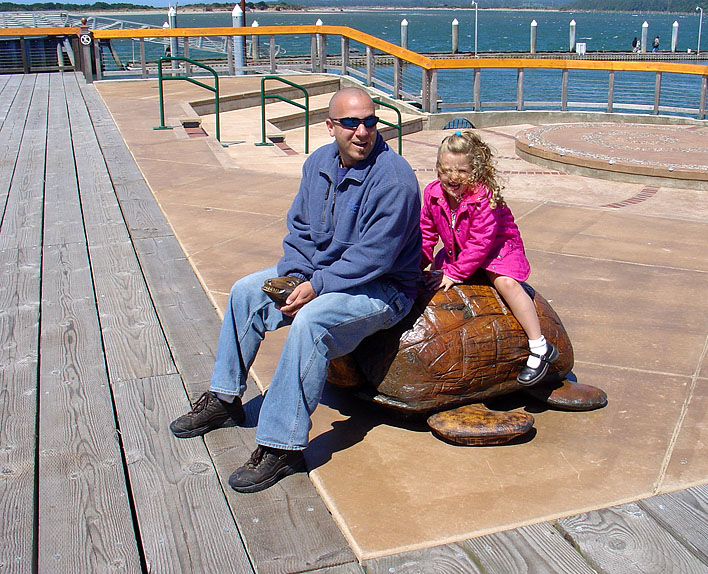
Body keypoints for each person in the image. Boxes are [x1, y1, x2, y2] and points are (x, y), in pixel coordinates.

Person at [169, 87, 422, 493]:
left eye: (371, 122)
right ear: (330, 126)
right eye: (351, 123)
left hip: (383, 287)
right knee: (246, 291)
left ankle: (282, 447)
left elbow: (375, 256)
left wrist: (316, 287)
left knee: (311, 321)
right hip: (321, 272)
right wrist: (295, 275)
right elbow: (302, 229)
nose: (363, 132)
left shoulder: (395, 180)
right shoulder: (319, 162)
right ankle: (225, 399)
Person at [419, 131, 558, 387]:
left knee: (505, 283)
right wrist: (416, 263)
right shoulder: (433, 194)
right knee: (431, 276)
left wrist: (455, 273)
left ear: (475, 169)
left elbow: (481, 243)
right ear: (438, 168)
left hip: (498, 250)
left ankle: (539, 346)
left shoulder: (483, 197)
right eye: (446, 169)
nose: (453, 177)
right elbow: (426, 234)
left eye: (461, 171)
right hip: (458, 251)